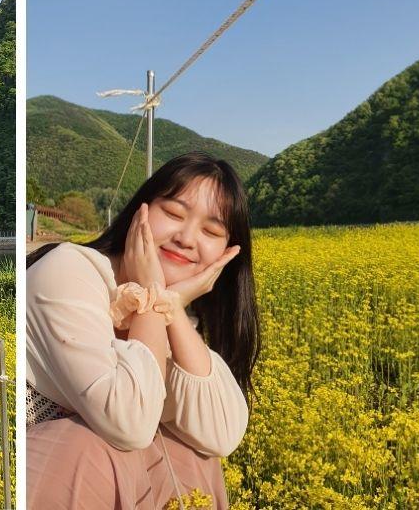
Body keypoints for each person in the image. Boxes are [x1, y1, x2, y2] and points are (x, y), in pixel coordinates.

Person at [26, 151, 260, 509]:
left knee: (192, 454)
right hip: (31, 473)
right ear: (141, 211)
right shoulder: (69, 271)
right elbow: (129, 423)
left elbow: (222, 435)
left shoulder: (176, 309)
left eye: (211, 231)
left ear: (226, 253)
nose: (186, 237)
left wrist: (171, 307)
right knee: (89, 446)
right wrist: (153, 296)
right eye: (174, 213)